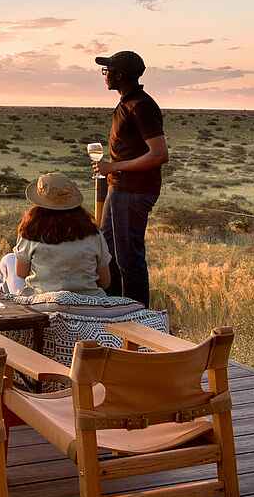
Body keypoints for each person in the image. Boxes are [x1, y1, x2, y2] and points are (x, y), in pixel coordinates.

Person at [93, 50, 168, 306]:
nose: (105, 75)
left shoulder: (141, 105)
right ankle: (114, 310)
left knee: (128, 258)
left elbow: (159, 154)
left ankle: (138, 320)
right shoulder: (128, 102)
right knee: (109, 253)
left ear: (121, 75)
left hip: (133, 190)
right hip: (121, 187)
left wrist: (114, 166)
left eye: (108, 70)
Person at [9, 172, 111, 296]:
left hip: (45, 302)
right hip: (89, 302)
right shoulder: (94, 233)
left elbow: (21, 273)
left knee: (8, 260)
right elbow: (105, 282)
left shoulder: (31, 232)